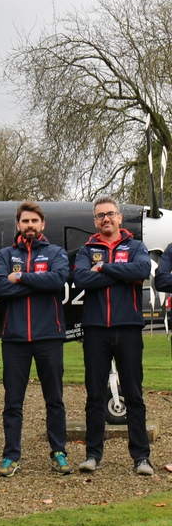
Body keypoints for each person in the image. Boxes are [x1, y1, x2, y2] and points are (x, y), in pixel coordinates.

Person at [0, 201, 72, 477]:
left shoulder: (55, 252)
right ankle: (11, 456)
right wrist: (35, 282)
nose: (29, 226)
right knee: (13, 402)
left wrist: (20, 277)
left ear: (42, 225)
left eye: (34, 221)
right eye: (25, 221)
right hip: (14, 339)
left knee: (55, 400)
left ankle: (59, 452)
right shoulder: (4, 254)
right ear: (18, 225)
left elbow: (57, 280)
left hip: (49, 335)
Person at [73, 196, 153, 475]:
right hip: (96, 330)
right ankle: (93, 455)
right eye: (100, 216)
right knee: (95, 396)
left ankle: (141, 457)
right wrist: (123, 274)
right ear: (95, 221)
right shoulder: (87, 249)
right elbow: (82, 279)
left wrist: (105, 267)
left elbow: (142, 270)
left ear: (119, 217)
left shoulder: (135, 246)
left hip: (128, 328)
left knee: (134, 395)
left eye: (110, 214)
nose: (105, 219)